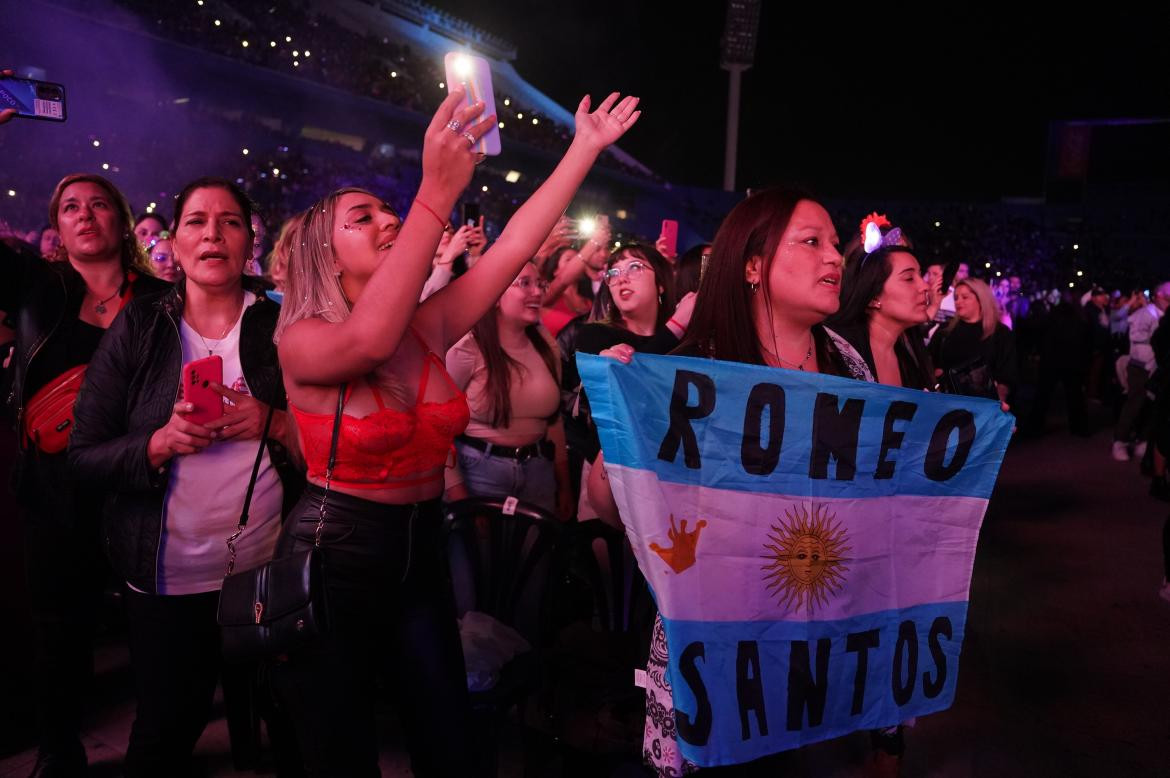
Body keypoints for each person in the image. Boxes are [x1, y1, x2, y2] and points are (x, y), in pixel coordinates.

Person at [271, 88, 640, 776]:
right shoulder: (300, 338)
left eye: (388, 209)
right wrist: (434, 191)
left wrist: (583, 148)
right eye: (364, 216)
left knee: (450, 738)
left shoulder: (430, 323)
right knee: (342, 750)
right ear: (325, 253)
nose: (386, 220)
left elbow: (516, 246)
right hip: (337, 553)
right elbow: (371, 337)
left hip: (420, 547)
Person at [587, 188, 866, 776]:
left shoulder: (848, 365)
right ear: (753, 264)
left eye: (836, 245)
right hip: (719, 639)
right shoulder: (694, 370)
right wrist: (624, 413)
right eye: (812, 242)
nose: (835, 258)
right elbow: (612, 509)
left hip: (817, 634)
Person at [69, 177, 302, 777]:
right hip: (165, 576)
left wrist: (274, 422)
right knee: (168, 727)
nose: (213, 233)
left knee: (298, 722)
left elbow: (329, 439)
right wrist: (159, 443)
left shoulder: (284, 326)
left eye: (229, 221)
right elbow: (83, 456)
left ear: (250, 241)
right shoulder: (141, 327)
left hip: (267, 569)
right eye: (196, 221)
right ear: (173, 243)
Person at [2, 173, 167, 777]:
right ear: (58, 226)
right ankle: (58, 749)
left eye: (99, 204)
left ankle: (156, 746)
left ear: (122, 221)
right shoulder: (36, 286)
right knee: (58, 624)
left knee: (153, 620)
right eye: (70, 207)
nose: (85, 214)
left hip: (137, 478)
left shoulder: (159, 302)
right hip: (53, 483)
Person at [567, 244, 695, 522]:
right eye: (613, 272)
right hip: (608, 478)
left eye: (635, 267)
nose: (621, 278)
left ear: (661, 283)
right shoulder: (594, 336)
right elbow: (635, 383)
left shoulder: (686, 343)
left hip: (670, 480)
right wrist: (677, 325)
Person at [444, 260, 572, 517]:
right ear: (494, 292)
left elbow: (553, 421)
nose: (537, 292)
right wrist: (458, 495)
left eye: (540, 284)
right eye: (525, 283)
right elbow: (438, 429)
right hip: (479, 471)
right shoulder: (468, 347)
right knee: (479, 555)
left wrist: (565, 484)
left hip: (539, 471)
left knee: (534, 556)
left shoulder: (546, 344)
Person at [929, 278, 1017, 408]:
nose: (958, 301)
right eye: (956, 297)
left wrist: (997, 403)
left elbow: (1007, 375)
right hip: (946, 404)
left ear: (981, 299)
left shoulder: (1001, 334)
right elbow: (930, 361)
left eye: (965, 297)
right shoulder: (945, 331)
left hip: (982, 407)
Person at [1113, 283, 1170, 461]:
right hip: (1141, 366)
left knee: (1152, 406)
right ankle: (1120, 441)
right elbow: (1137, 338)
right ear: (1160, 296)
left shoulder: (1160, 314)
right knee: (1135, 403)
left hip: (1158, 367)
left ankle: (1143, 440)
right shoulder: (1145, 314)